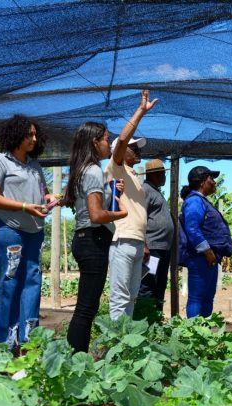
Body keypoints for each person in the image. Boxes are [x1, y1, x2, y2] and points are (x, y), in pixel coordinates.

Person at [0, 114, 52, 353]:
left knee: (32, 282)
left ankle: (29, 342)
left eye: (35, 134)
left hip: (35, 232)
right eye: (28, 134)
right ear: (16, 135)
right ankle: (3, 344)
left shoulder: (34, 165)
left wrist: (49, 198)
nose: (33, 139)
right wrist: (24, 206)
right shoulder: (0, 161)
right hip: (9, 229)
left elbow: (43, 192)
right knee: (9, 283)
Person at [62, 120, 128, 353]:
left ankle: (74, 356)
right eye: (106, 139)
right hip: (93, 240)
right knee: (86, 308)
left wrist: (109, 188)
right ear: (94, 141)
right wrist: (120, 213)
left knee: (86, 306)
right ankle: (75, 358)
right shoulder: (92, 171)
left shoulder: (82, 169)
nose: (109, 144)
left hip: (85, 239)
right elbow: (97, 214)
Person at [105, 89, 158, 320]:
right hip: (122, 242)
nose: (138, 150)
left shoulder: (133, 174)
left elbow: (137, 212)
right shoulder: (115, 167)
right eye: (134, 147)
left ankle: (125, 345)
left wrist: (144, 242)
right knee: (120, 297)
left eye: (139, 147)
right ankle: (115, 344)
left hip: (135, 243)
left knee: (131, 297)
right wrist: (140, 112)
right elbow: (124, 138)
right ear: (120, 150)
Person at [179, 166, 232, 318]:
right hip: (201, 258)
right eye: (211, 179)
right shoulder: (195, 201)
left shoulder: (201, 200)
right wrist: (207, 252)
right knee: (197, 297)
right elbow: (192, 228)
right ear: (203, 182)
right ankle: (194, 335)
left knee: (207, 297)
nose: (214, 182)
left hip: (209, 258)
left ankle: (203, 333)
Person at [137, 159, 173, 313]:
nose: (164, 176)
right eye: (162, 173)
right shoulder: (145, 190)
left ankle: (156, 321)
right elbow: (139, 217)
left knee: (160, 285)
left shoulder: (156, 191)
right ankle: (145, 321)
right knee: (147, 285)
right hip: (152, 249)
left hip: (162, 248)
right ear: (154, 174)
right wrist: (144, 245)